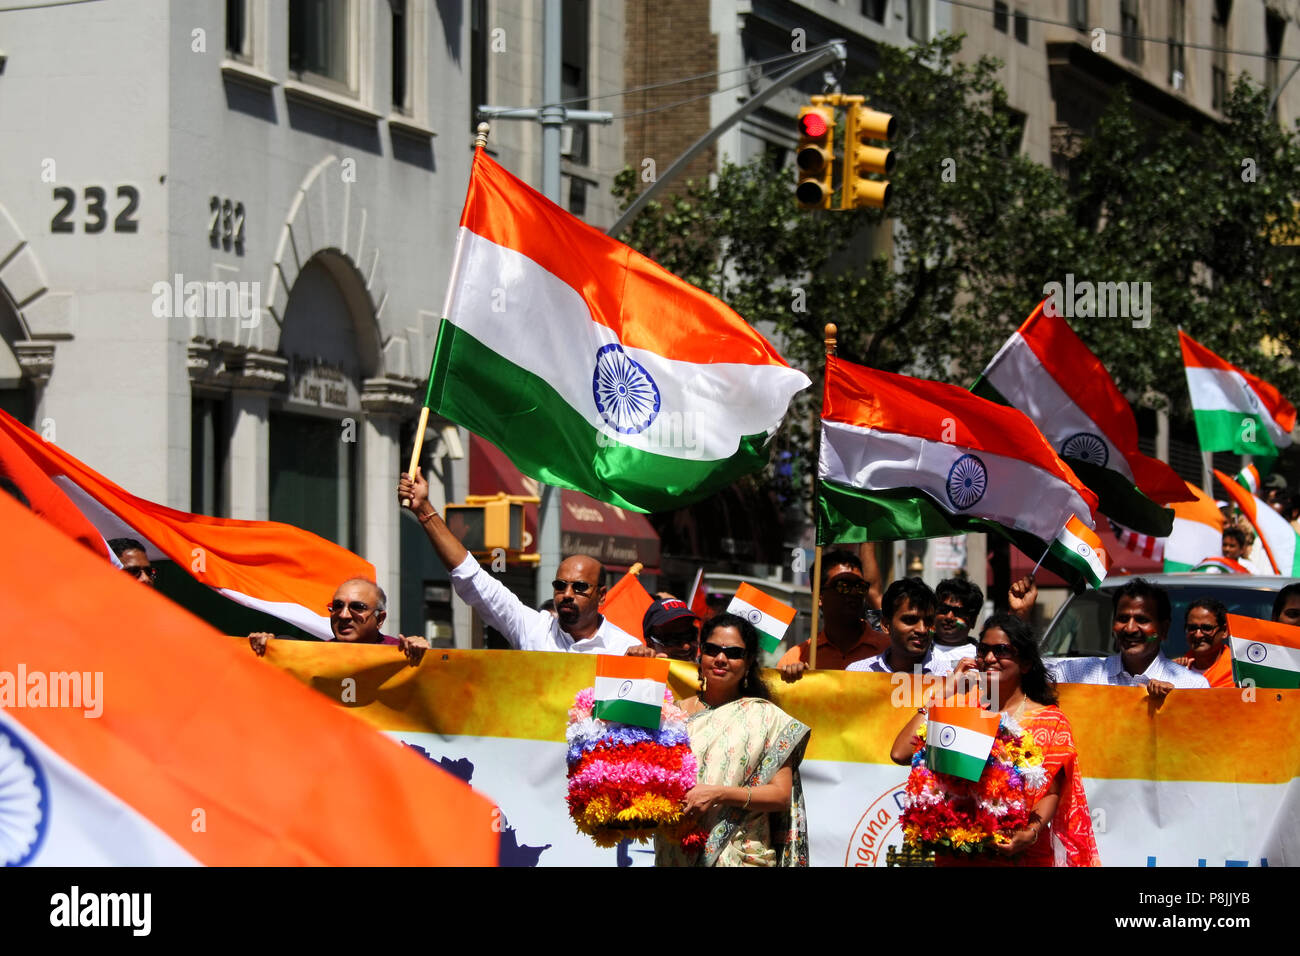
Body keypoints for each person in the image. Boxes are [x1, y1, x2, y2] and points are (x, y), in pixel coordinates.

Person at [889, 614, 1101, 867]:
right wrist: (944, 694)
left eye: (1001, 650)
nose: (989, 659)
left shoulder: (1051, 721)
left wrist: (1030, 833)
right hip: (959, 854)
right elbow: (900, 754)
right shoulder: (961, 707)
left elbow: (1051, 793)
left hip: (1019, 855)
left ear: (1024, 663)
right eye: (984, 650)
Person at [397, 467, 638, 654]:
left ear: (602, 595)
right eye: (560, 585)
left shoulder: (626, 649)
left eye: (580, 587)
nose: (567, 594)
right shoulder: (533, 629)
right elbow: (472, 578)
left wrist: (647, 667)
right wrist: (424, 510)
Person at [656, 613, 810, 867]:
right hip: (675, 851)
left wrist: (719, 794)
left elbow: (780, 796)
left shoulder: (766, 716)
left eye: (733, 653)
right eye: (712, 649)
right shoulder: (673, 715)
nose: (720, 659)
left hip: (741, 853)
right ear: (700, 655)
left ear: (749, 661)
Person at [1049, 578, 1209, 697]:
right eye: (1123, 619)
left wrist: (1178, 704)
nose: (1130, 629)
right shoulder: (1081, 674)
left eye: (1142, 620)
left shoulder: (1191, 686)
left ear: (1164, 629)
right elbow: (1031, 681)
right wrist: (1023, 614)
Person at [249, 578, 427, 665]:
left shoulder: (401, 655)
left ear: (380, 619)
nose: (343, 615)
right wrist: (267, 652)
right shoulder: (315, 656)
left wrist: (426, 658)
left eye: (357, 607)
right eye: (337, 606)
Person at [777, 550, 887, 679]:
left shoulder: (889, 651)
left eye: (859, 586)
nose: (853, 593)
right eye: (843, 586)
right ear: (819, 597)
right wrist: (795, 682)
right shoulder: (796, 658)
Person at [846, 577, 949, 675]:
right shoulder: (859, 673)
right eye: (910, 620)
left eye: (929, 621)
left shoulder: (949, 676)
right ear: (886, 625)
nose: (922, 630)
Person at [1172, 599, 1235, 687]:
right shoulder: (1176, 669)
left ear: (1224, 631)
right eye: (1192, 628)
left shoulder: (1239, 673)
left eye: (1206, 628)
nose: (1198, 635)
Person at [627, 597, 699, 661]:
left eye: (691, 635)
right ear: (650, 644)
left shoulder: (707, 671)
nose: (686, 646)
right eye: (674, 639)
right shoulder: (641, 673)